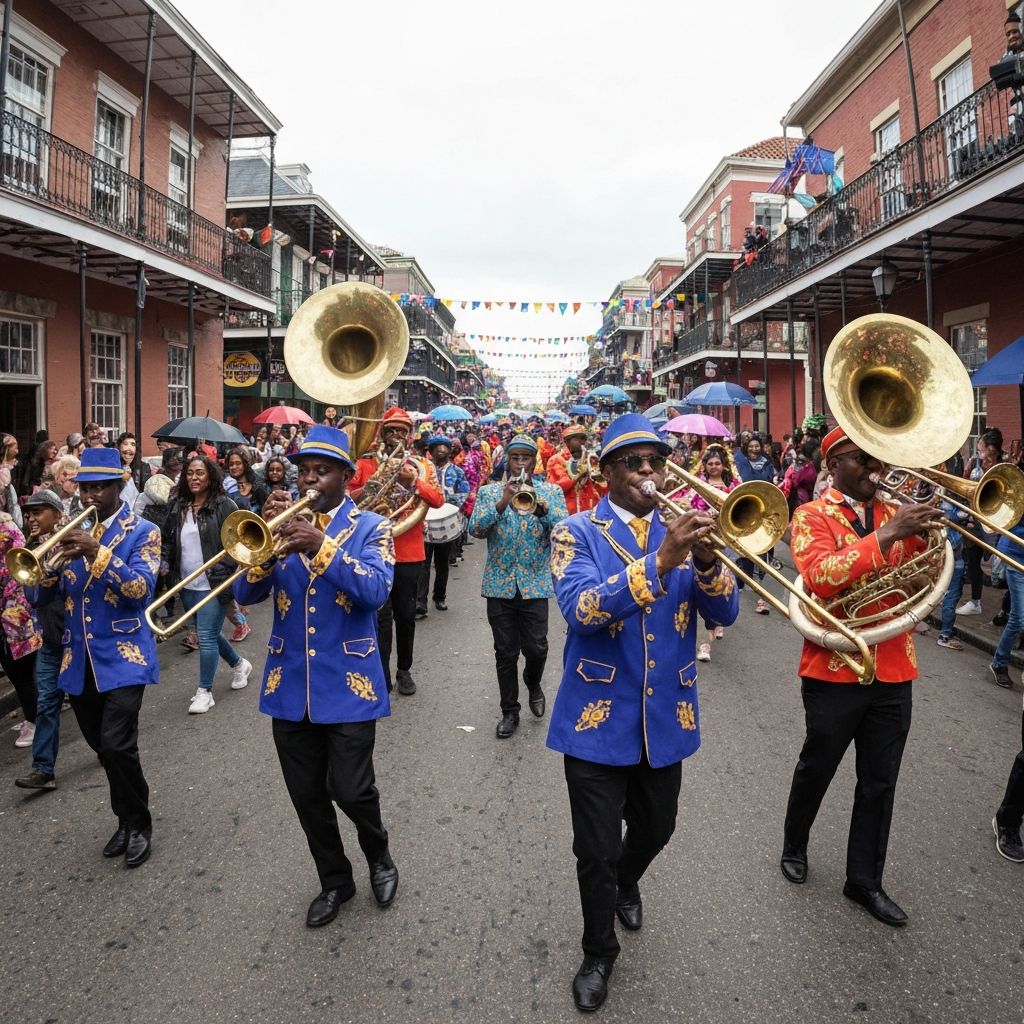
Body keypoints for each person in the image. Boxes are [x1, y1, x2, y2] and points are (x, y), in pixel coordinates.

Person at [545, 414, 738, 1012]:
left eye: (655, 459)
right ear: (605, 473)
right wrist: (661, 561)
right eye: (633, 461)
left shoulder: (684, 528)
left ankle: (628, 881)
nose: (648, 470)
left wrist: (706, 563)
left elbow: (725, 614)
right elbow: (581, 610)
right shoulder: (573, 531)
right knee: (595, 849)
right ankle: (598, 950)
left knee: (658, 829)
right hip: (596, 716)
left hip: (666, 716)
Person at [234, 425, 400, 928]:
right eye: (304, 469)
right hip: (289, 684)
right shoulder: (282, 524)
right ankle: (335, 879)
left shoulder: (373, 527)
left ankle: (378, 854)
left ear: (345, 477)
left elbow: (375, 591)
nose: (309, 479)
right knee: (307, 795)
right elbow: (244, 596)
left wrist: (320, 545)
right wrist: (262, 548)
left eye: (321, 471)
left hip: (351, 682)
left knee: (351, 790)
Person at [780, 426, 941, 926]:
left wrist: (922, 567)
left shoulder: (898, 514)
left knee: (880, 781)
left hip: (893, 664)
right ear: (834, 466)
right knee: (818, 765)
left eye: (879, 458)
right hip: (834, 667)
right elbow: (822, 578)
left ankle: (864, 881)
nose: (877, 468)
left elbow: (928, 576)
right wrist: (886, 537)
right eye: (862, 459)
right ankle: (795, 841)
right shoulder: (810, 516)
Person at [28, 447, 161, 867]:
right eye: (86, 488)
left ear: (119, 487)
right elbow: (40, 596)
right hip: (78, 658)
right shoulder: (70, 531)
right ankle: (124, 818)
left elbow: (140, 589)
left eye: (100, 487)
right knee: (101, 748)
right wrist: (44, 567)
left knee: (118, 744)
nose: (91, 496)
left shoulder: (144, 531)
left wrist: (95, 553)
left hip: (124, 656)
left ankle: (139, 823)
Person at [469, 435, 567, 738]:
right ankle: (509, 711)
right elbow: (476, 529)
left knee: (537, 648)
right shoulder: (488, 492)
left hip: (535, 584)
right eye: (516, 458)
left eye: (527, 457)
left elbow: (564, 529)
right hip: (499, 585)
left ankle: (533, 680)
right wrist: (502, 501)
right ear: (507, 460)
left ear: (535, 461)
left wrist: (542, 510)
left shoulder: (550, 492)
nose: (521, 463)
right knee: (504, 652)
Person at [350, 407, 443, 696]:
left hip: (408, 550)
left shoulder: (422, 466)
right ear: (382, 432)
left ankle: (404, 670)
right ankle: (380, 672)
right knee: (378, 616)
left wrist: (413, 481)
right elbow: (349, 500)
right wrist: (374, 484)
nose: (396, 435)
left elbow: (438, 500)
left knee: (404, 615)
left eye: (401, 430)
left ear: (409, 434)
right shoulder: (365, 464)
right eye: (391, 430)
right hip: (372, 550)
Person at [161, 455, 251, 714]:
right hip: (187, 582)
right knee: (206, 633)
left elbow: (240, 544)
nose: (194, 478)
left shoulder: (225, 505)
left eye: (200, 473)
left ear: (210, 476)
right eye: (189, 473)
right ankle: (239, 664)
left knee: (208, 637)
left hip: (215, 582)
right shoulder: (178, 505)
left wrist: (225, 571)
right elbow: (168, 539)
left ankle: (204, 692)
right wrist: (165, 562)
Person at [14, 491, 66, 790]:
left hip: (77, 638)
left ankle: (107, 750)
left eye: (39, 512)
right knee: (47, 703)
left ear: (57, 515)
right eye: (29, 513)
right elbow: (32, 599)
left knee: (90, 702)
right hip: (50, 640)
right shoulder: (29, 552)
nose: (31, 519)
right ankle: (43, 769)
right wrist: (43, 584)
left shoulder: (72, 543)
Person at [685, 446, 741, 657]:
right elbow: (689, 508)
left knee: (722, 585)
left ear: (723, 465)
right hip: (704, 542)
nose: (714, 466)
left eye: (718, 463)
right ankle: (704, 643)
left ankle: (718, 619)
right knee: (702, 585)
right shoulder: (697, 486)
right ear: (705, 467)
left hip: (726, 541)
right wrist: (707, 513)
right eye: (710, 463)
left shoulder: (732, 486)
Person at [0, 507, 40, 749]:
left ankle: (35, 720)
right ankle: (32, 714)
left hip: (13, 611)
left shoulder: (6, 528)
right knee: (16, 671)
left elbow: (15, 568)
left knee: (21, 671)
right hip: (8, 611)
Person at [417, 436, 469, 616]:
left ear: (449, 451)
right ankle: (420, 602)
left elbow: (464, 491)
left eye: (444, 447)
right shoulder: (423, 470)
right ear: (431, 452)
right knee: (423, 563)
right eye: (436, 448)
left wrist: (449, 505)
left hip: (446, 519)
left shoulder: (457, 472)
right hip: (424, 519)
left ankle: (439, 597)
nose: (441, 450)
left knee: (442, 563)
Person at [547, 425, 606, 514]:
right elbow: (556, 489)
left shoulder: (590, 457)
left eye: (583, 439)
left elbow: (602, 487)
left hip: (590, 509)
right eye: (577, 439)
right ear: (567, 441)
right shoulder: (556, 460)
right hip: (567, 511)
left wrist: (598, 475)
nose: (582, 442)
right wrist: (579, 475)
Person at [224, 447, 268, 513]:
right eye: (231, 464)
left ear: (245, 464)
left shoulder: (258, 486)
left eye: (238, 463)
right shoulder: (225, 486)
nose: (234, 467)